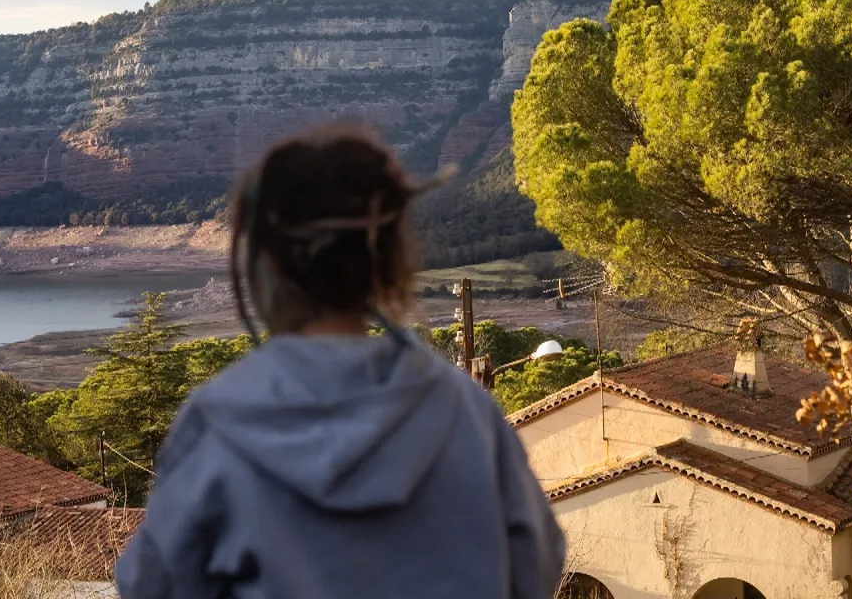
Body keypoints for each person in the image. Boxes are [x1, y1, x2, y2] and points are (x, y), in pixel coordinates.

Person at [115, 123, 565, 599]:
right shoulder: (467, 412)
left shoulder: (216, 422)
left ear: (265, 269)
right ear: (388, 266)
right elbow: (536, 564)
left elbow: (154, 585)